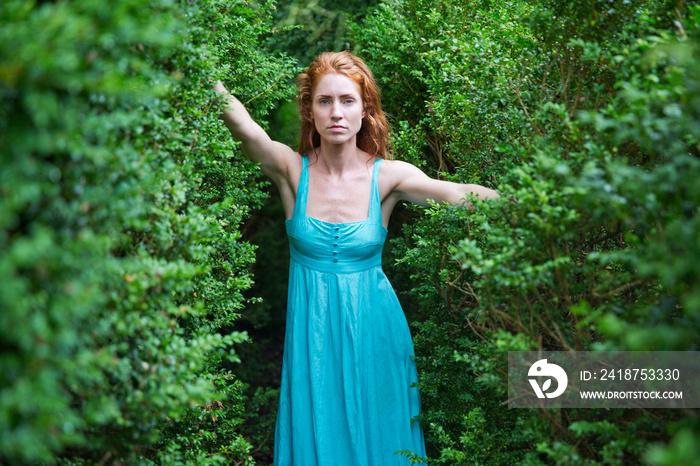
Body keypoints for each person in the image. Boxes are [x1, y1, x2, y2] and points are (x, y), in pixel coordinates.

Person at [214, 51, 499, 466]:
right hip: (311, 337)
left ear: (365, 110)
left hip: (375, 332)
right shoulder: (292, 171)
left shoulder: (388, 177)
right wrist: (202, 66)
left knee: (380, 437)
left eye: (347, 101)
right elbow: (245, 129)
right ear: (310, 111)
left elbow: (459, 194)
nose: (336, 113)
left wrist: (525, 204)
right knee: (317, 436)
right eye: (324, 101)